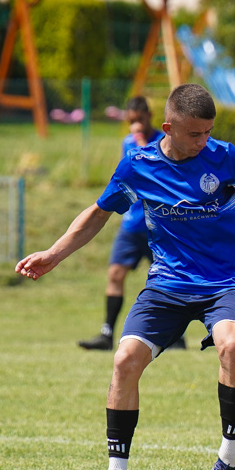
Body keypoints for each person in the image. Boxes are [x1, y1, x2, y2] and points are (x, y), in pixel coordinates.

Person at [16, 83, 235, 470]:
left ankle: (228, 458)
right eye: (194, 134)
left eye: (208, 132)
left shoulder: (225, 158)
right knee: (124, 360)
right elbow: (99, 213)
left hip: (223, 282)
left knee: (232, 342)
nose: (203, 142)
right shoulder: (138, 165)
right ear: (167, 127)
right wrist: (54, 253)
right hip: (168, 284)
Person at [77, 96, 184, 352]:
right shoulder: (127, 142)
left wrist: (141, 143)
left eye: (140, 119)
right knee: (115, 274)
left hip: (157, 227)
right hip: (131, 225)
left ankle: (176, 335)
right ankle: (107, 333)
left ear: (149, 116)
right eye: (131, 120)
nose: (135, 125)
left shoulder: (163, 141)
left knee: (172, 279)